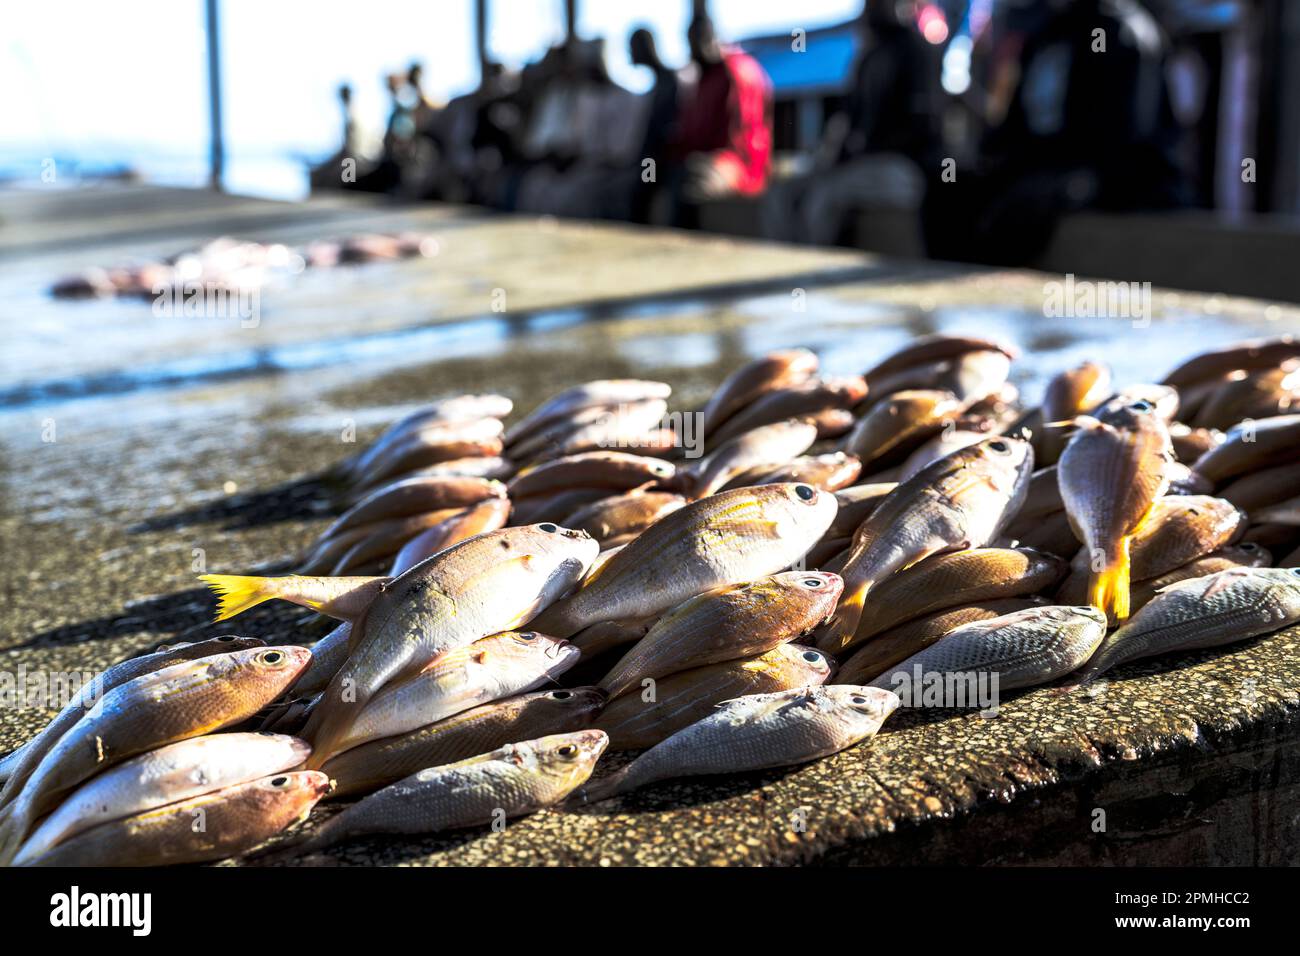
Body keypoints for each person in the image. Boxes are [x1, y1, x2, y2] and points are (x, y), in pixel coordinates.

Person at [922, 0, 1191, 265]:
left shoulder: (1122, 32)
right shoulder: (1047, 33)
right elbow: (1015, 127)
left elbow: (1131, 138)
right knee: (948, 187)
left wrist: (1082, 178)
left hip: (1103, 173)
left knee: (1024, 205)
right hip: (1041, 163)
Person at [766, 0, 942, 244]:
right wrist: (836, 155)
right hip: (862, 166)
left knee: (823, 199)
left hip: (904, 168)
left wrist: (863, 150)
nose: (870, 11)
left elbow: (924, 126)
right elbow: (847, 122)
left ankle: (812, 277)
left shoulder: (916, 50)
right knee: (781, 193)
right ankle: (781, 270)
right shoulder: (866, 58)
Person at [657, 15, 773, 226]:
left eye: (696, 42)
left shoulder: (737, 72)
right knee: (659, 175)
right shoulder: (706, 75)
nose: (691, 51)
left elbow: (738, 139)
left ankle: (685, 250)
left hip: (740, 165)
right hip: (710, 158)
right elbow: (693, 132)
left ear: (711, 38)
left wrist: (697, 155)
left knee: (689, 185)